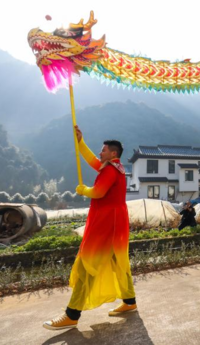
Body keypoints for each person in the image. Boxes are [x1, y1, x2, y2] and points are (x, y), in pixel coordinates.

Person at [43, 126, 136, 330]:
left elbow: (99, 191)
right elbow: (93, 160)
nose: (100, 153)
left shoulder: (110, 170)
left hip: (106, 224)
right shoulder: (114, 167)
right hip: (115, 222)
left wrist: (84, 190)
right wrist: (80, 142)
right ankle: (130, 302)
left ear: (113, 153)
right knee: (119, 261)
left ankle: (72, 314)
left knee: (88, 265)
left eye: (103, 150)